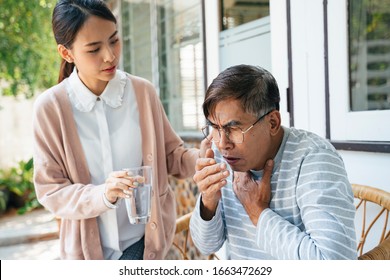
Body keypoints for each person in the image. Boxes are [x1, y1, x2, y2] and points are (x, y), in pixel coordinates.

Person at [32, 0, 208, 260]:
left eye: (114, 40)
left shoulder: (142, 92)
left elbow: (172, 155)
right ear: (67, 53)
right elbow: (50, 190)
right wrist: (102, 193)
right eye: (94, 49)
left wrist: (202, 158)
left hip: (145, 247)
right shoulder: (51, 108)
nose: (110, 56)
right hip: (86, 256)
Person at [190, 64, 357, 260]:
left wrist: (259, 214)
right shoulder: (221, 157)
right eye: (215, 128)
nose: (222, 143)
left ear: (272, 123)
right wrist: (209, 201)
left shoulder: (314, 159)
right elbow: (207, 245)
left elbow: (334, 263)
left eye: (233, 129)